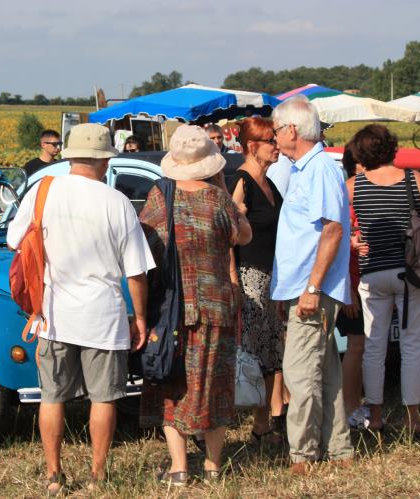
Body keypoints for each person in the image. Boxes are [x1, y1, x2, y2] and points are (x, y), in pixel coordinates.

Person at [7, 123, 154, 495]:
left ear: (70, 156)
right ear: (104, 161)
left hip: (52, 314)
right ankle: (97, 474)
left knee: (52, 397)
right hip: (103, 315)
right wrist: (139, 317)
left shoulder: (42, 191)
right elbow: (136, 272)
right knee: (104, 398)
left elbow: (13, 241)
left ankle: (54, 474)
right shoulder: (116, 202)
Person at [139, 125, 252, 485]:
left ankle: (179, 468)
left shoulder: (160, 197)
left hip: (173, 307)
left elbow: (145, 244)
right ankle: (213, 466)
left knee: (174, 384)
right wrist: (221, 189)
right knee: (216, 385)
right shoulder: (219, 201)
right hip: (217, 305)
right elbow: (244, 235)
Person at [270, 96, 353, 473]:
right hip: (307, 287)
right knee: (326, 371)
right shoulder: (308, 167)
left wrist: (312, 288)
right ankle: (338, 448)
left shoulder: (318, 168)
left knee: (300, 372)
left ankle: (303, 454)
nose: (274, 139)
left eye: (275, 130)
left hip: (312, 289)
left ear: (291, 130)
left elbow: (332, 229)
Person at [347, 124, 420, 434]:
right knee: (412, 345)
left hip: (373, 271)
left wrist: (353, 239)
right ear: (392, 147)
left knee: (374, 345)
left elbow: (332, 227)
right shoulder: (414, 180)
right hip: (410, 272)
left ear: (360, 153)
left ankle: (375, 415)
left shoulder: (353, 185)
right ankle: (413, 418)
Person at [227, 117, 285, 443]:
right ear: (252, 146)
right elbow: (230, 236)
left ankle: (263, 424)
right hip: (251, 276)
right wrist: (235, 278)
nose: (277, 146)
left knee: (269, 351)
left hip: (270, 275)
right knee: (255, 351)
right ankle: (258, 422)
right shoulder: (242, 182)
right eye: (271, 141)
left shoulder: (269, 182)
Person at [337, 144, 370, 428]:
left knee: (361, 346)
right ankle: (349, 407)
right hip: (352, 283)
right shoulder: (347, 195)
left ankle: (356, 404)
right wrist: (348, 290)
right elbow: (340, 245)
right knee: (356, 345)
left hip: (362, 280)